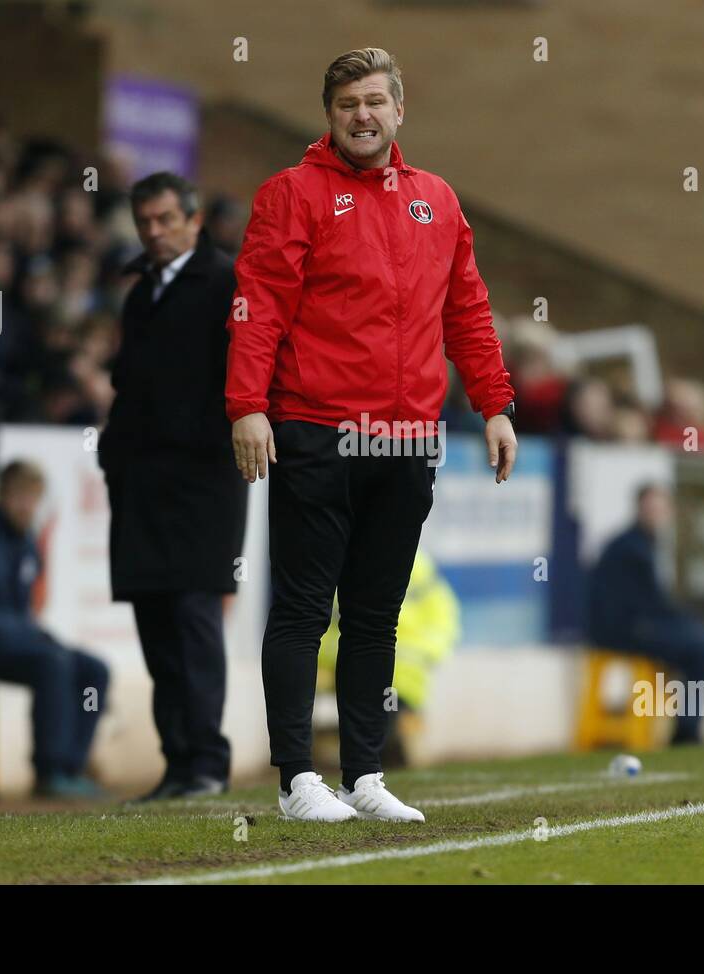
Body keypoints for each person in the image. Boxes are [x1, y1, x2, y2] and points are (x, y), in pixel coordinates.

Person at [227, 48, 517, 822]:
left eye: (374, 101)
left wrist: (494, 403)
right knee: (300, 609)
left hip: (406, 437)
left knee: (376, 614)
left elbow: (467, 310)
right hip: (317, 429)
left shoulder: (439, 200)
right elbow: (259, 303)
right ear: (329, 114)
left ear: (399, 110)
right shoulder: (292, 195)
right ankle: (295, 779)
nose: (362, 114)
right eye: (347, 102)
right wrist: (247, 405)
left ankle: (364, 775)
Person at [99, 172, 247, 800]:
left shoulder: (225, 283)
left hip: (202, 484)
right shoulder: (141, 295)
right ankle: (179, 762)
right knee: (156, 621)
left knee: (192, 620)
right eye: (144, 222)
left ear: (193, 220)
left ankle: (207, 762)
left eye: (164, 220)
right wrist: (114, 455)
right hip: (141, 484)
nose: (153, 233)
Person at [0, 461, 110, 798]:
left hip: (10, 641)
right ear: (1, 495)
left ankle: (72, 767)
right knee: (52, 661)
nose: (27, 506)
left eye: (34, 498)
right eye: (20, 497)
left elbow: (21, 613)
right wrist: (30, 637)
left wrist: (32, 635)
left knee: (93, 670)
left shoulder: (26, 539)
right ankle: (50, 770)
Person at [586, 484, 704, 745]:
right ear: (639, 509)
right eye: (651, 507)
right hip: (622, 632)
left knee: (699, 643)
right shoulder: (631, 548)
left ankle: (686, 726)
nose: (655, 513)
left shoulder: (640, 543)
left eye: (660, 508)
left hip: (629, 627)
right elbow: (646, 605)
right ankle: (687, 732)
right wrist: (685, 621)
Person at [317, 549, 460, 767]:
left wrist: (426, 652)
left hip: (400, 671)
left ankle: (384, 741)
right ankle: (371, 744)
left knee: (384, 710)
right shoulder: (345, 561)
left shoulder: (415, 564)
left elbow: (443, 615)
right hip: (355, 664)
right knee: (375, 712)